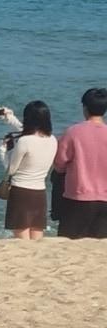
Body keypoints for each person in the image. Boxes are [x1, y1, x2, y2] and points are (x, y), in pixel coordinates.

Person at [0, 101, 56, 240]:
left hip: (21, 192)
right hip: (40, 193)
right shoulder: (53, 140)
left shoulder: (24, 141)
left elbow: (11, 170)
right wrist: (11, 119)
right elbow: (33, 135)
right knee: (37, 237)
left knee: (21, 239)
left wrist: (3, 151)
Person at [53, 88, 107, 239]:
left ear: (85, 108)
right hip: (105, 200)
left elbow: (59, 164)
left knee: (69, 242)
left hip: (78, 198)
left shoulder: (73, 132)